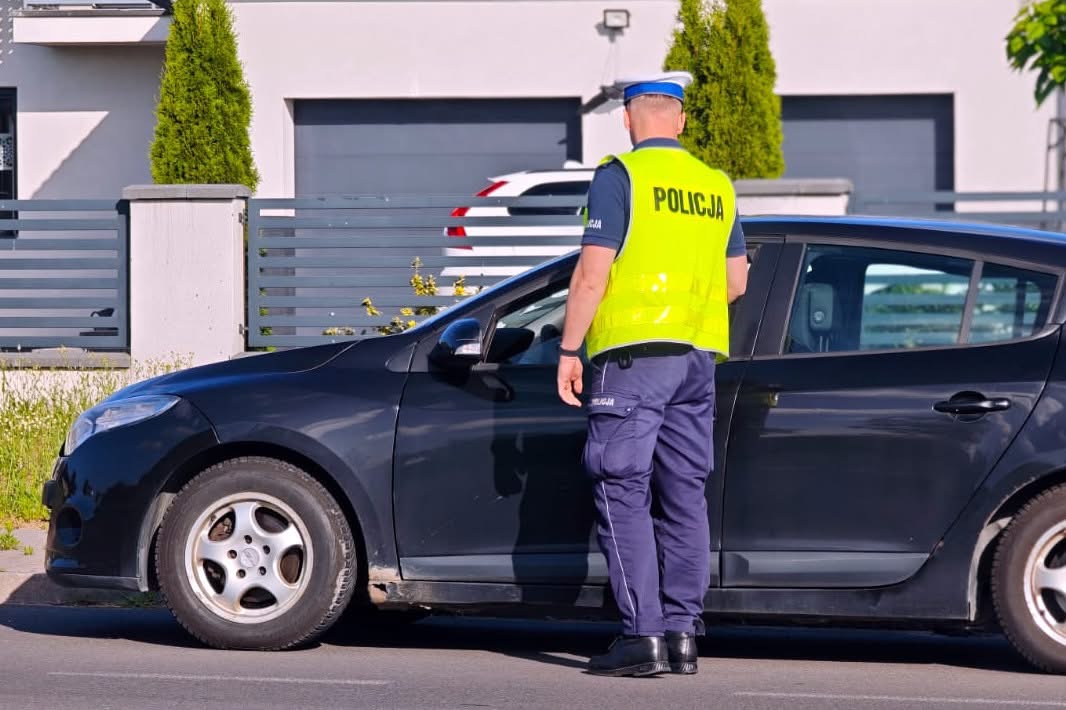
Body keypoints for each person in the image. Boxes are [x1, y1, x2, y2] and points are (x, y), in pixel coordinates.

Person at [555, 70, 748, 677]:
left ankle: (642, 637)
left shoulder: (621, 176)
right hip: (696, 361)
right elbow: (736, 281)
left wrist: (568, 349)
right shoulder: (716, 186)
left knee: (621, 489)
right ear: (682, 119)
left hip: (633, 360)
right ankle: (684, 634)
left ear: (630, 118)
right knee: (684, 494)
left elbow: (591, 274)